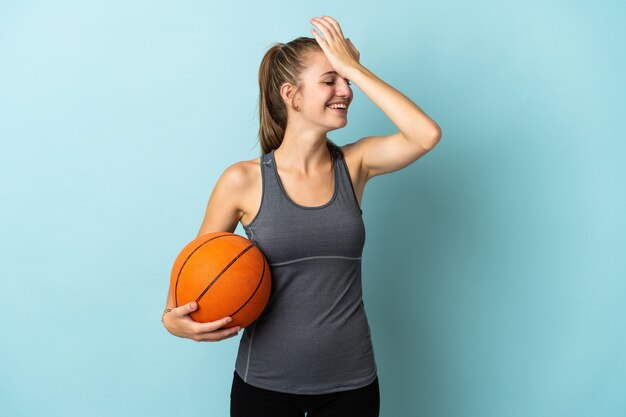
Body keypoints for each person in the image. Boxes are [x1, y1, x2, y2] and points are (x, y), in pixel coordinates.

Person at [162, 15, 441, 417]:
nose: (345, 90)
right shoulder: (242, 181)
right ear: (291, 94)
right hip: (264, 387)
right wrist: (173, 321)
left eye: (344, 80)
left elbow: (425, 134)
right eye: (330, 80)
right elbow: (192, 281)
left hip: (353, 386)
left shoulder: (355, 164)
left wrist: (354, 68)